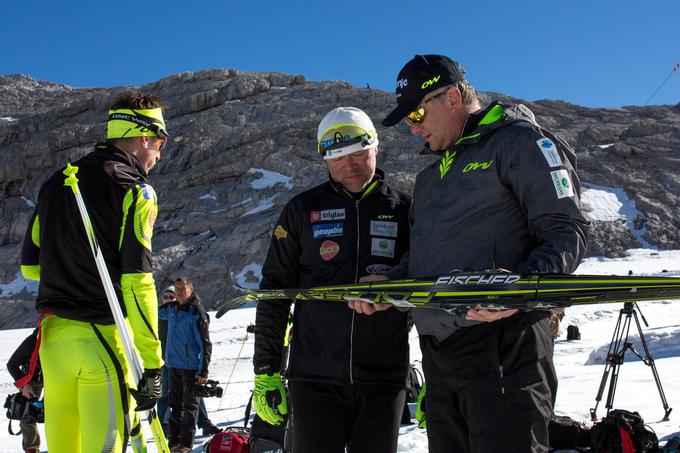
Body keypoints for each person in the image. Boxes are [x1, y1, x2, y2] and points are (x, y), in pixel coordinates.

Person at [372, 54, 590, 452]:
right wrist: (387, 285)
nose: (414, 127)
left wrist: (518, 291)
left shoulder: (520, 142)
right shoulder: (431, 176)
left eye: (418, 113)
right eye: (407, 119)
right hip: (439, 354)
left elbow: (566, 229)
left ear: (453, 97)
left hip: (502, 345)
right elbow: (425, 258)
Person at [253, 107, 412, 453]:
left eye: (358, 153)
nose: (350, 165)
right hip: (313, 378)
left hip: (383, 378)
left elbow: (424, 289)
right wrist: (266, 368)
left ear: (376, 147)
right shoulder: (302, 210)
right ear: (324, 159)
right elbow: (275, 291)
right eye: (338, 156)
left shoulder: (406, 210)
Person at [20, 92, 168, 453]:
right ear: (145, 136)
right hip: (101, 338)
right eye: (160, 144)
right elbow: (137, 281)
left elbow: (29, 267)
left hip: (54, 343)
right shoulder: (136, 190)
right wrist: (152, 362)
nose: (159, 156)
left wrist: (71, 270)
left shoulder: (56, 183)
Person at [159, 277, 213, 452]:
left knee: (190, 408)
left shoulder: (196, 312)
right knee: (175, 405)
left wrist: (203, 372)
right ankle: (173, 443)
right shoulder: (172, 308)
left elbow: (206, 344)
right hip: (172, 365)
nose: (179, 292)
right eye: (177, 289)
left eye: (183, 289)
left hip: (190, 368)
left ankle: (186, 445)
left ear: (192, 290)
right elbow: (154, 312)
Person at [7, 329, 42, 453]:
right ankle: (32, 448)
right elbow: (11, 364)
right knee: (27, 414)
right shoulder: (33, 340)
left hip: (59, 378)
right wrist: (24, 385)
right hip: (33, 381)